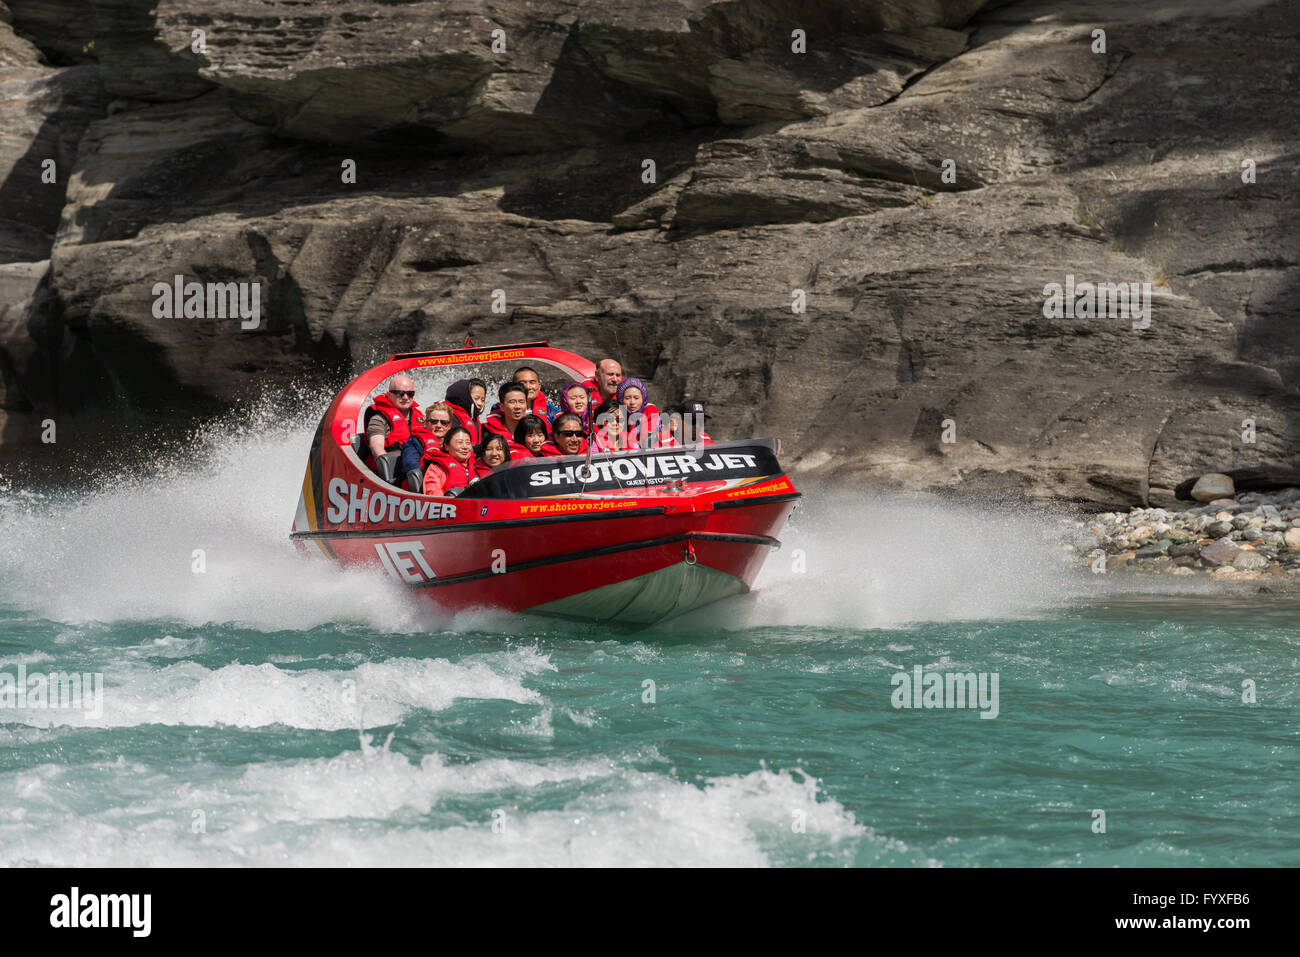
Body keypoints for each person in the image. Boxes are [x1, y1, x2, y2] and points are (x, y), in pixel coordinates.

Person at [363, 375, 428, 474]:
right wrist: (386, 469)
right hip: (393, 472)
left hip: (418, 467)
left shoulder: (420, 417)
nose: (405, 397)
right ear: (389, 395)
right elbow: (376, 445)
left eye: (410, 393)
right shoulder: (379, 419)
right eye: (400, 393)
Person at [401, 402, 455, 477]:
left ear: (449, 426)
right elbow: (411, 464)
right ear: (426, 423)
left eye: (444, 422)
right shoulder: (414, 442)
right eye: (434, 422)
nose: (439, 425)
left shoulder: (455, 442)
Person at [422, 426, 480, 496]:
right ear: (446, 446)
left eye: (468, 443)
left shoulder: (478, 464)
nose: (465, 447)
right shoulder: (436, 469)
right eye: (460, 442)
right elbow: (434, 497)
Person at [617, 377, 665, 449]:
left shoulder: (654, 416)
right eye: (627, 398)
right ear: (621, 399)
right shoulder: (615, 419)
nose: (632, 402)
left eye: (636, 398)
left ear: (643, 399)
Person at [444, 379, 484, 445]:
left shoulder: (474, 418)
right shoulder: (450, 416)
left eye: (483, 400)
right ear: (465, 397)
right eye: (476, 398)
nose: (480, 403)